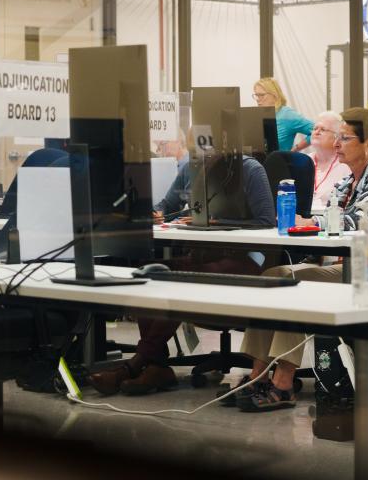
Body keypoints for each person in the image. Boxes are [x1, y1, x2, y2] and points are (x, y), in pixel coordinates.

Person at [231, 108, 368, 412]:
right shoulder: (346, 184)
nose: (339, 143)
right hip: (343, 265)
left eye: (346, 137)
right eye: (338, 137)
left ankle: (284, 383)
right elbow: (332, 220)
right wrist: (310, 222)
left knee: (295, 281)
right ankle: (258, 374)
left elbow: (361, 222)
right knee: (273, 275)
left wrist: (316, 223)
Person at [89, 153, 276, 396]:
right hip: (202, 258)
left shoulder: (250, 169)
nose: (200, 153)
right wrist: (155, 213)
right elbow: (166, 206)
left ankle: (135, 364)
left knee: (182, 279)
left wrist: (216, 221)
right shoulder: (191, 167)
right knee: (151, 273)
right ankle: (157, 365)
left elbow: (266, 220)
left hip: (244, 262)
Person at [253, 77, 313, 152]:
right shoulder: (257, 115)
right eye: (256, 95)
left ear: (274, 95)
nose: (258, 99)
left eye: (261, 95)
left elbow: (316, 131)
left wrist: (296, 148)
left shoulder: (287, 115)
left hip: (280, 162)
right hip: (257, 162)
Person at [307, 110, 351, 210]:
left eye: (323, 129)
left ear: (337, 136)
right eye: (315, 128)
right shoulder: (303, 161)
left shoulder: (346, 165)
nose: (317, 132)